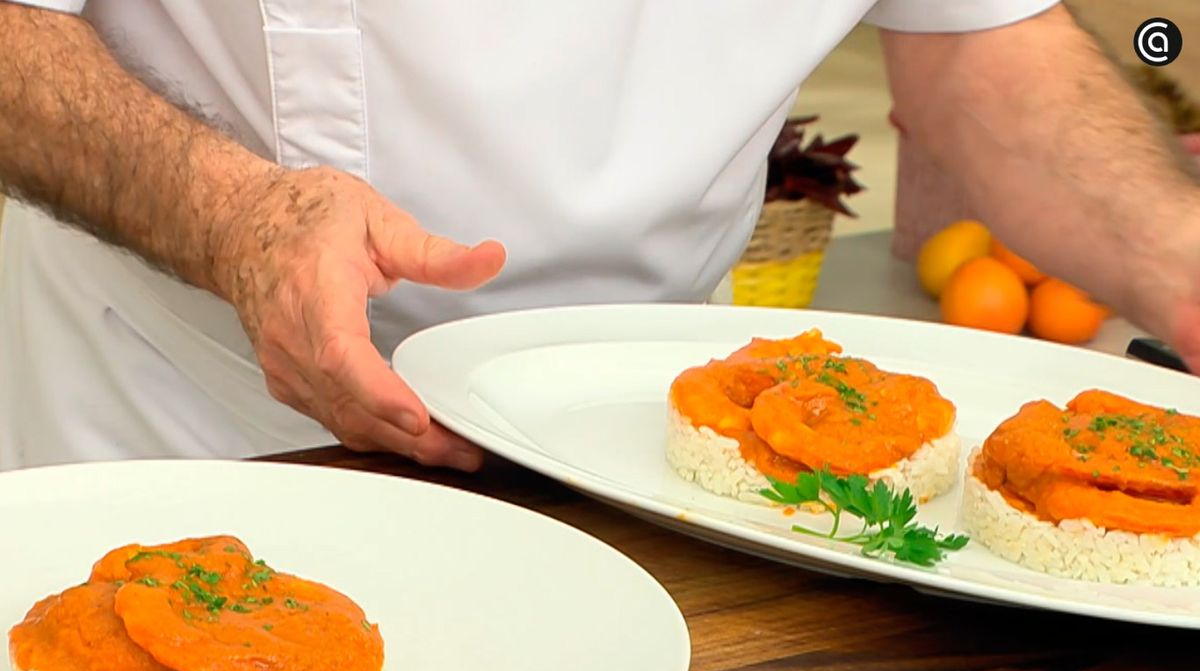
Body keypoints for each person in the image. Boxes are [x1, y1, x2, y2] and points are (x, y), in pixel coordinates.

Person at [0, 1, 1195, 473]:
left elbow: (977, 43)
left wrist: (1184, 267)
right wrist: (238, 220)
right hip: (196, 417)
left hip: (670, 430)